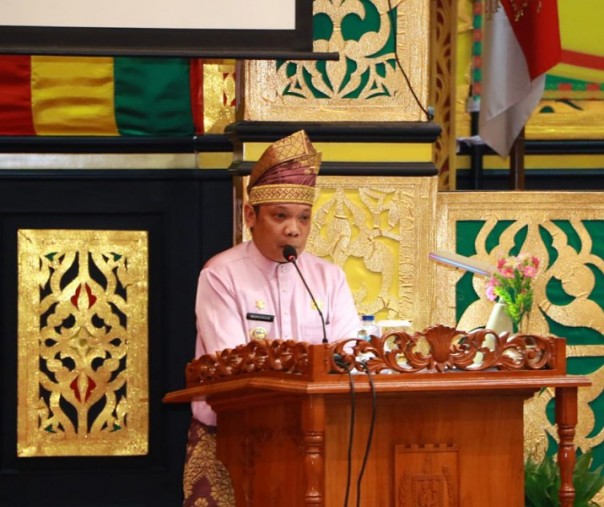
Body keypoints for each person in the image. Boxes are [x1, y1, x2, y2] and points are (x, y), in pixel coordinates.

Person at [182, 130, 360, 507]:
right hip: (234, 440)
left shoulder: (329, 278)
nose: (293, 229)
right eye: (280, 216)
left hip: (316, 437)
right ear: (251, 215)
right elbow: (229, 363)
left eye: (303, 218)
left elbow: (351, 350)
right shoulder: (221, 275)